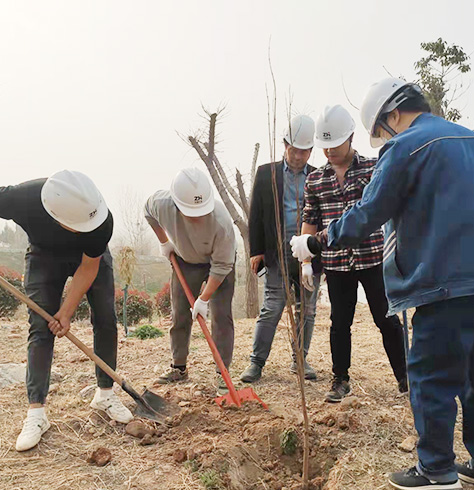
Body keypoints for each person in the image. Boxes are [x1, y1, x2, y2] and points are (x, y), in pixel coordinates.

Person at [292, 78, 474, 490]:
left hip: (447, 281)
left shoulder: (406, 147)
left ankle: (436, 469)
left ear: (393, 114)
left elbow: (368, 212)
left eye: (382, 130)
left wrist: (317, 241)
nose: (384, 139)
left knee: (429, 372)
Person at [0, 170, 132, 452]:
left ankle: (105, 394)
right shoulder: (22, 198)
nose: (87, 227)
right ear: (56, 215)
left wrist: (67, 311)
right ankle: (36, 413)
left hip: (89, 258)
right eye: (78, 224)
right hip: (44, 256)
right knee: (40, 328)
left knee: (106, 319)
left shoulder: (99, 219)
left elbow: (89, 267)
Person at [297, 104, 407, 403]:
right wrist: (307, 260)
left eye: (334, 144)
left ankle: (405, 376)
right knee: (339, 321)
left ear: (350, 138)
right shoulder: (315, 180)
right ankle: (340, 378)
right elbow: (310, 219)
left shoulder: (373, 169)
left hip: (373, 257)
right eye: (324, 146)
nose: (329, 151)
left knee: (386, 319)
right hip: (335, 263)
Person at [240, 115, 322, 383]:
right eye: (294, 149)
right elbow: (256, 215)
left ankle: (300, 361)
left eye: (304, 151)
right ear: (285, 145)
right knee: (272, 307)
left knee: (307, 309)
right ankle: (256, 363)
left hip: (309, 254)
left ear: (311, 150)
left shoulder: (319, 177)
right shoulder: (267, 173)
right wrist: (257, 250)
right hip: (277, 252)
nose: (298, 156)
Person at [145, 167, 236, 395]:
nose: (196, 217)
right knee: (180, 314)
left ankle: (222, 373)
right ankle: (179, 367)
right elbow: (148, 212)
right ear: (176, 204)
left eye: (200, 212)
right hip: (185, 260)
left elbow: (222, 266)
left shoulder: (221, 222)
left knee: (221, 315)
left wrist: (203, 299)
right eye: (190, 212)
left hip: (219, 264)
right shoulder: (162, 203)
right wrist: (164, 241)